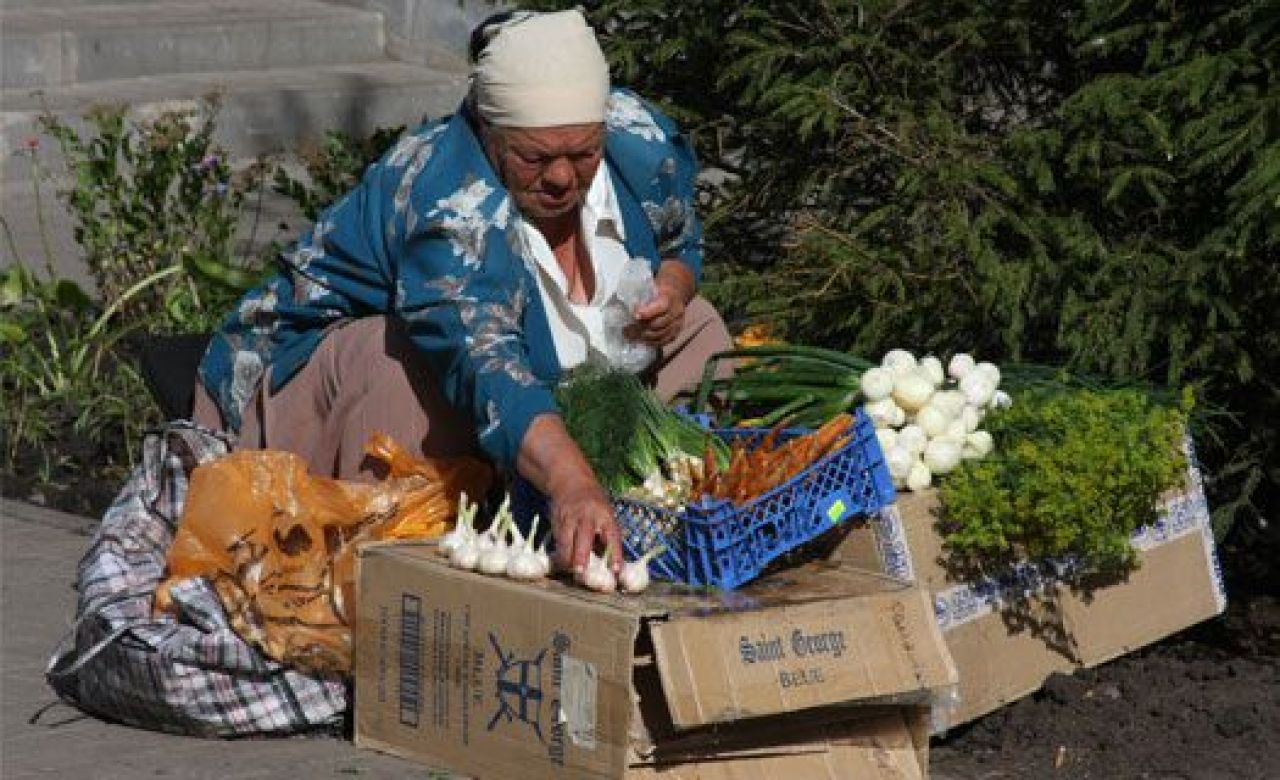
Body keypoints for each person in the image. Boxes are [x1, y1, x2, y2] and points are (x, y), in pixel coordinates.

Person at [192, 10, 732, 582]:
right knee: (392, 358)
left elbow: (680, 243)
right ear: (491, 136)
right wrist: (571, 481)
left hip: (530, 375)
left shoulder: (639, 148)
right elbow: (485, 366)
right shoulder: (448, 204)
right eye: (536, 158)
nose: (562, 178)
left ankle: (668, 526)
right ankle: (380, 577)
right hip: (301, 388)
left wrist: (672, 287)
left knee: (697, 326)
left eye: (581, 156)